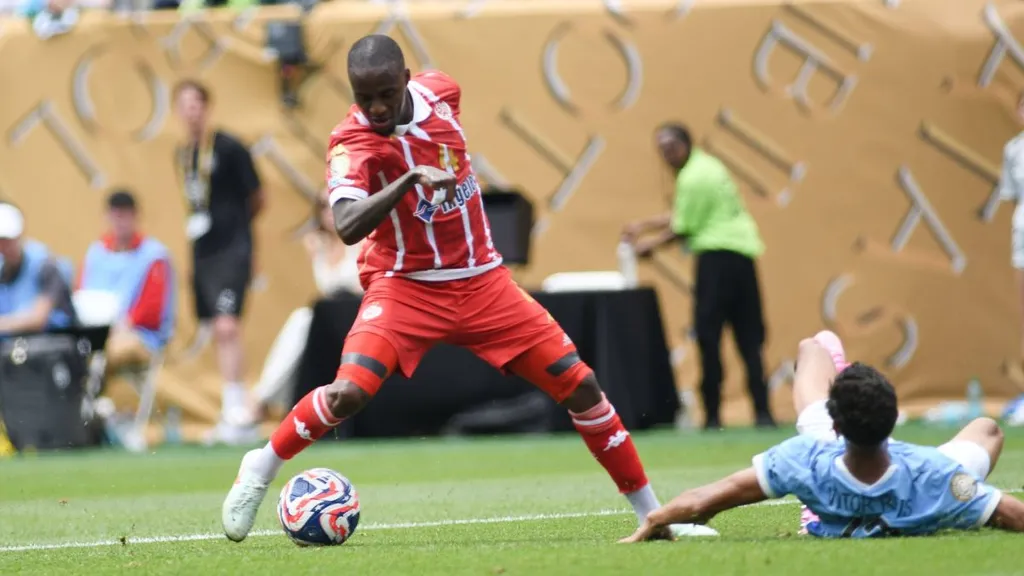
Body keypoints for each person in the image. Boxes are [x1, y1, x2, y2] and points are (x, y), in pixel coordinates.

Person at [221, 34, 717, 543]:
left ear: (408, 81)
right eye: (362, 96)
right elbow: (346, 223)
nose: (375, 107)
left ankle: (655, 518)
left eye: (386, 94)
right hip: (406, 289)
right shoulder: (353, 141)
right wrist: (408, 179)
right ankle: (259, 467)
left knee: (582, 386)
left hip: (483, 284)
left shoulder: (443, 93)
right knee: (349, 393)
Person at [620, 330, 1024, 542]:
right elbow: (1011, 513)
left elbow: (706, 499)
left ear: (835, 424)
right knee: (987, 429)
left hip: (830, 466)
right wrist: (959, 500)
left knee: (815, 345)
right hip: (916, 474)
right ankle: (851, 386)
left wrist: (656, 518)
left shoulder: (805, 457)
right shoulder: (939, 476)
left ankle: (840, 385)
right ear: (894, 421)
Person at [621, 123, 773, 430]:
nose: (666, 156)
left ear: (685, 144)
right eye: (661, 150)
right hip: (743, 257)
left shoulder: (691, 177)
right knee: (749, 339)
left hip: (717, 261)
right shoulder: (709, 167)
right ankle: (763, 414)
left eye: (670, 148)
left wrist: (647, 244)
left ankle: (713, 416)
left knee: (709, 336)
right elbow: (686, 215)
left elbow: (683, 226)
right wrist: (643, 225)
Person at [174, 79, 265, 445]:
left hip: (231, 250)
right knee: (215, 327)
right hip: (203, 253)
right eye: (184, 105)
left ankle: (237, 413)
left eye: (196, 103)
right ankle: (230, 410)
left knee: (229, 326)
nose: (191, 111)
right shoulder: (183, 153)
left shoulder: (228, 147)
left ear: (207, 107)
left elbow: (257, 197)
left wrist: (239, 236)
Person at [245, 199, 363, 424]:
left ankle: (260, 400)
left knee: (301, 321)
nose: (329, 213)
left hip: (357, 315)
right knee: (302, 324)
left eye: (334, 207)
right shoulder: (317, 245)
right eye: (323, 207)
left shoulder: (361, 241)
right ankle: (266, 398)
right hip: (331, 320)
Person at [78, 190, 176, 371]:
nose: (120, 221)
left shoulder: (154, 256)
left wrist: (117, 329)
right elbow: (82, 295)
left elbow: (151, 311)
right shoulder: (96, 253)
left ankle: (93, 393)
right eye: (116, 215)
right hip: (96, 331)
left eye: (125, 215)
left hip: (141, 336)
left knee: (111, 350)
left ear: (136, 216)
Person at [0, 203, 76, 336]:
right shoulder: (2, 269)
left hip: (50, 346)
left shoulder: (45, 266)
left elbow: (38, 320)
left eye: (8, 240)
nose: (5, 246)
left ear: (19, 235)